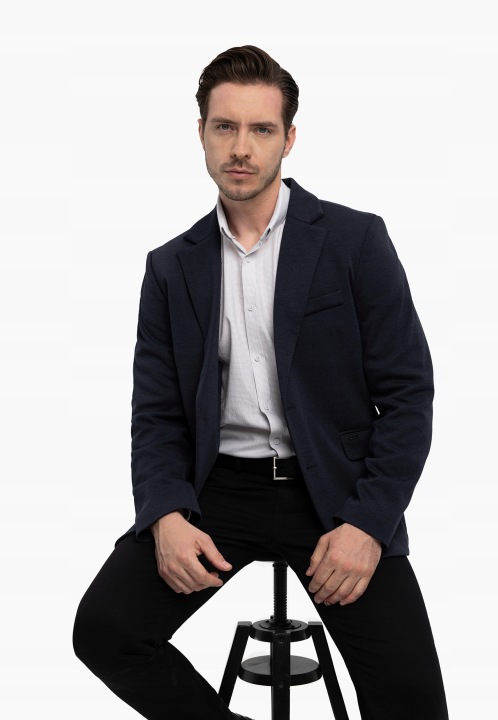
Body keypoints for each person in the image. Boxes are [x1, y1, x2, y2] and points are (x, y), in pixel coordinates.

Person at [73, 45, 448, 720]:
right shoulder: (171, 267)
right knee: (105, 632)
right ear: (201, 133)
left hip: (335, 491)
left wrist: (367, 524)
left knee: (413, 703)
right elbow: (156, 414)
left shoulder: (356, 240)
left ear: (289, 138)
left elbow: (408, 397)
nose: (241, 148)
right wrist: (164, 514)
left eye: (261, 129)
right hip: (219, 490)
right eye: (225, 127)